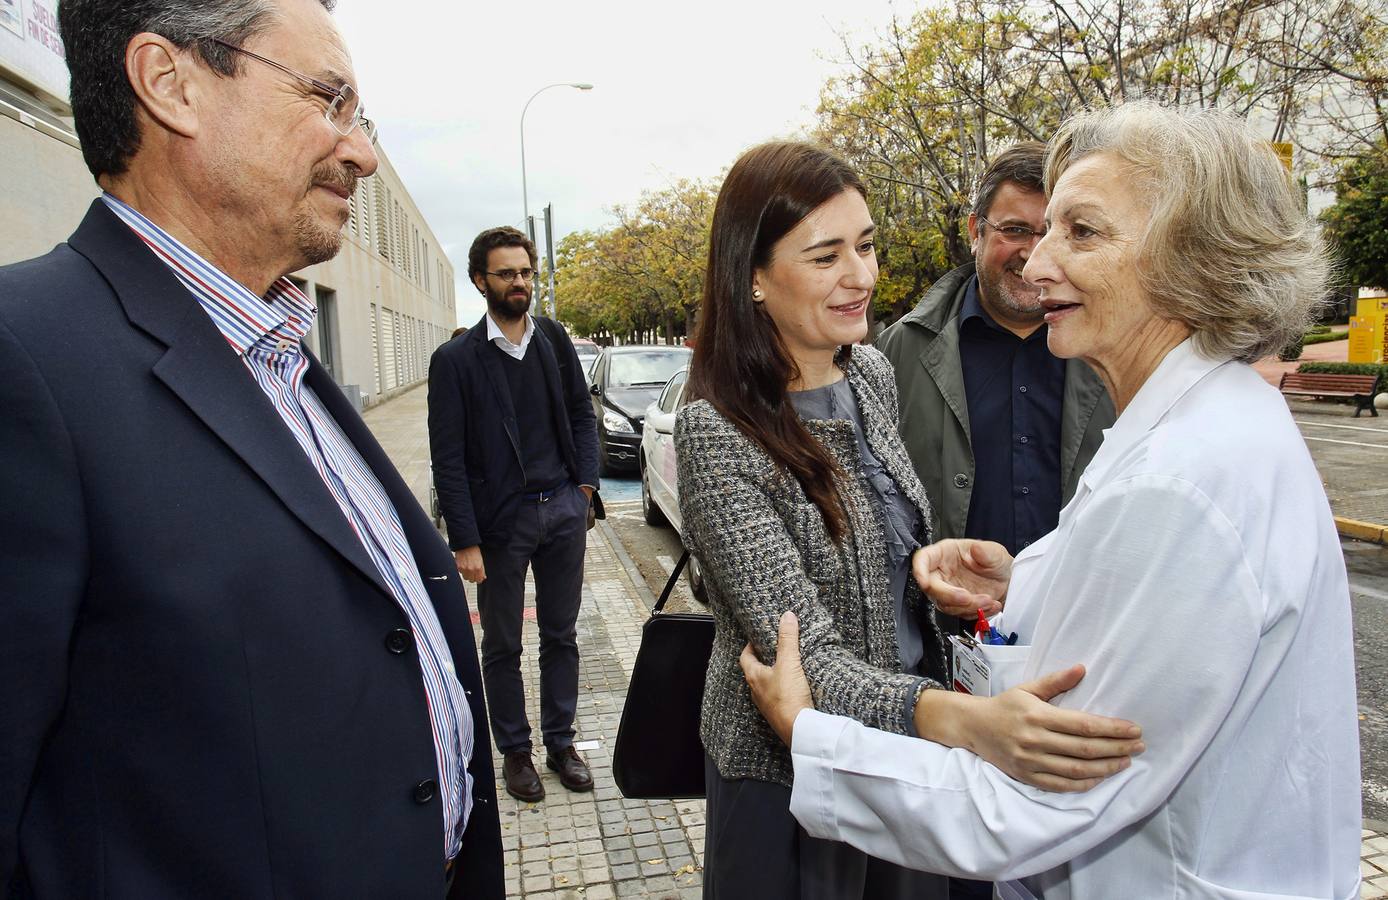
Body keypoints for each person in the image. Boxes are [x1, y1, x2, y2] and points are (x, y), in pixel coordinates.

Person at [741, 102, 1362, 899]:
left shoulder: (1179, 482)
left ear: (1193, 259)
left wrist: (809, 734)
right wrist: (1023, 580)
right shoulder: (1213, 419)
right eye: (1037, 233)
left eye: (1083, 232)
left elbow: (1025, 807)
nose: (1036, 268)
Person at [0, 0, 503, 896]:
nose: (362, 151)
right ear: (171, 83)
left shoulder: (279, 351)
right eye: (327, 99)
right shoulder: (23, 357)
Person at [676, 141, 1144, 900]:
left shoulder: (870, 372)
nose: (861, 276)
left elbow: (872, 555)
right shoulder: (717, 433)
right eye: (825, 256)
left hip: (908, 763)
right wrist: (969, 721)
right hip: (791, 779)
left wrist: (924, 564)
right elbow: (808, 662)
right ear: (753, 277)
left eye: (865, 245)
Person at [876, 141, 1113, 606]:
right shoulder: (900, 352)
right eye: (1014, 230)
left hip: (1077, 622)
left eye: (1051, 232)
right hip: (940, 637)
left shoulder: (1109, 350)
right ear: (975, 231)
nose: (1033, 252)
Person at [428, 226, 599, 803]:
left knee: (562, 635)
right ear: (481, 282)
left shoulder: (553, 338)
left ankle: (561, 743)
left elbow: (582, 414)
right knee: (501, 645)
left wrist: (584, 489)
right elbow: (447, 459)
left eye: (525, 272)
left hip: (563, 514)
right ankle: (516, 754)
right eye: (506, 274)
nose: (519, 283)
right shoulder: (455, 361)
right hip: (502, 526)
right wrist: (464, 540)